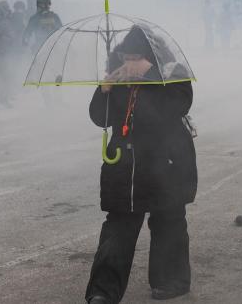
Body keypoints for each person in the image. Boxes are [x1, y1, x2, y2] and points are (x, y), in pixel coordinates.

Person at [85, 26, 197, 304]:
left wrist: (148, 76)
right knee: (118, 227)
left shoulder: (174, 74)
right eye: (125, 57)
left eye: (135, 58)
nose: (128, 63)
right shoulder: (119, 76)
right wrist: (104, 90)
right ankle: (103, 291)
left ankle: (172, 281)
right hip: (124, 163)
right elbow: (100, 117)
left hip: (166, 161)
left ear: (150, 58)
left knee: (168, 221)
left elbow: (171, 110)